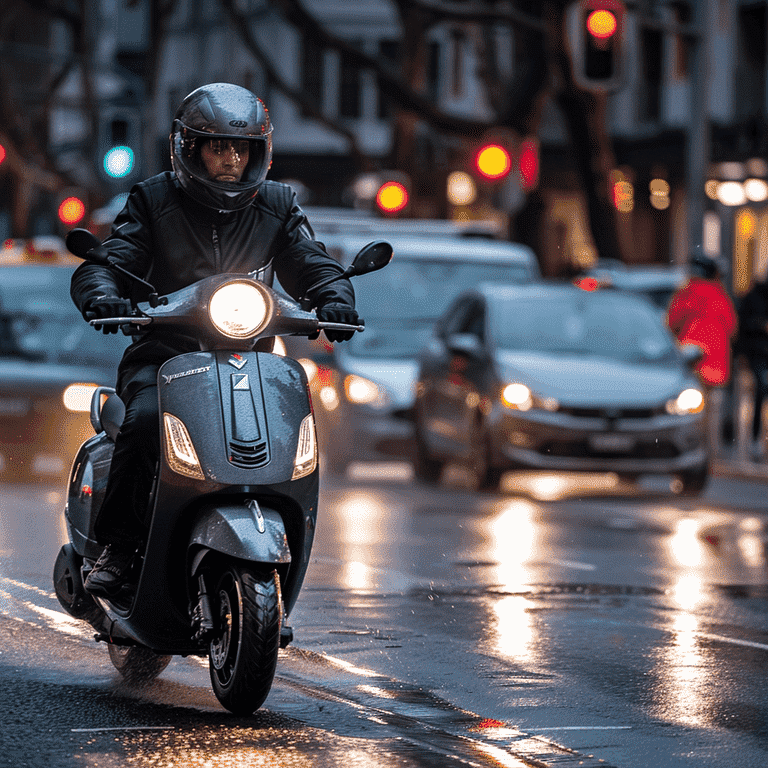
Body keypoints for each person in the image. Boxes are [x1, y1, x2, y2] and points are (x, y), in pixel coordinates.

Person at [71, 83, 359, 598]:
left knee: (294, 425)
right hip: (164, 356)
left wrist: (336, 298)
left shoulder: (277, 203)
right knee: (141, 421)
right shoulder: (153, 199)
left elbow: (311, 261)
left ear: (259, 153)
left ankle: (282, 532)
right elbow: (111, 261)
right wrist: (104, 295)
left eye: (240, 148)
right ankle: (117, 545)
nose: (230, 159)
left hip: (252, 360)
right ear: (188, 148)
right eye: (217, 146)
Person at [666, 250, 737, 453]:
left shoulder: (686, 293)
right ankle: (713, 447)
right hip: (716, 362)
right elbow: (731, 326)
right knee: (713, 407)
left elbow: (672, 322)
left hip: (691, 360)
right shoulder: (720, 295)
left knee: (689, 408)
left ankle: (693, 445)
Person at [736, 277, 768, 458]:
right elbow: (743, 326)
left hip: (758, 352)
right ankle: (755, 438)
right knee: (760, 393)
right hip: (758, 353)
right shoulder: (754, 297)